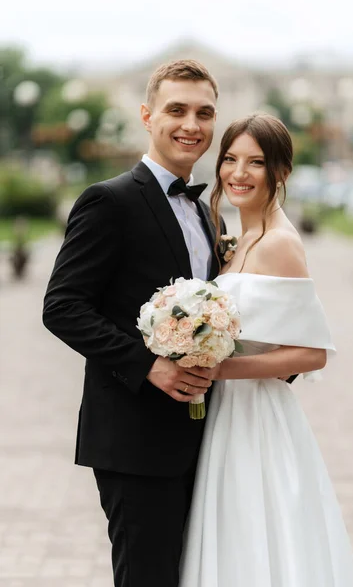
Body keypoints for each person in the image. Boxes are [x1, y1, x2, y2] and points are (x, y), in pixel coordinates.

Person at [42, 59, 226, 587]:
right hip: (135, 439)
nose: (192, 124)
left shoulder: (209, 214)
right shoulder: (109, 201)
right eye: (177, 110)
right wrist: (149, 366)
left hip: (203, 436)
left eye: (204, 113)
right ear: (148, 116)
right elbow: (63, 306)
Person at [179, 114, 353, 586]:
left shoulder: (280, 243)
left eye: (256, 162)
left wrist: (217, 369)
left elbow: (311, 354)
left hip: (257, 416)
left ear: (280, 171)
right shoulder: (238, 240)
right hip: (225, 415)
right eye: (231, 160)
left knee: (258, 535)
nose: (238, 173)